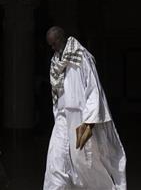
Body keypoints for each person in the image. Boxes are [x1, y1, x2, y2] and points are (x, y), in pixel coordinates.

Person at [43, 26, 126, 190]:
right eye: (50, 45)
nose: (53, 47)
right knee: (55, 159)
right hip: (62, 118)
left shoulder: (81, 57)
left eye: (55, 43)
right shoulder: (55, 62)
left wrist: (89, 122)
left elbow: (94, 89)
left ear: (63, 38)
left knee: (85, 164)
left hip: (81, 118)